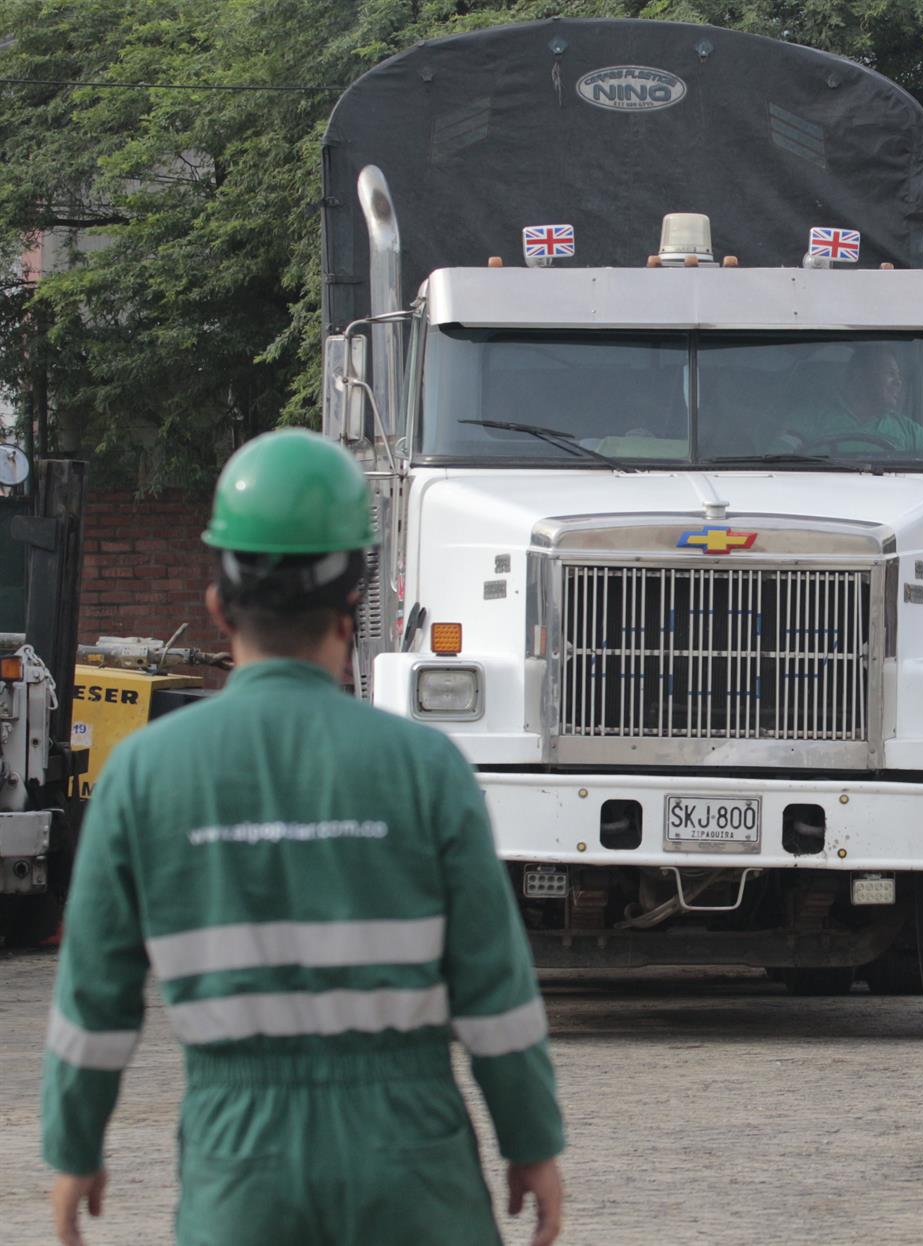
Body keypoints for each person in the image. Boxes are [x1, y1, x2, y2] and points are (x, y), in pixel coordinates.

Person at [42, 430, 566, 1246]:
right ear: (354, 600)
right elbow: (495, 991)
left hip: (239, 1161)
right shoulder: (427, 768)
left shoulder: (144, 774)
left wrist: (75, 1147)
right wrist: (531, 1142)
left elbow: (95, 1000)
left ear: (218, 602)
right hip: (412, 1159)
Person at [783, 346, 923, 454]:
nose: (898, 382)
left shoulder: (907, 430)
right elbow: (780, 459)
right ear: (860, 376)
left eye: (899, 376)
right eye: (890, 373)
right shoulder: (811, 417)